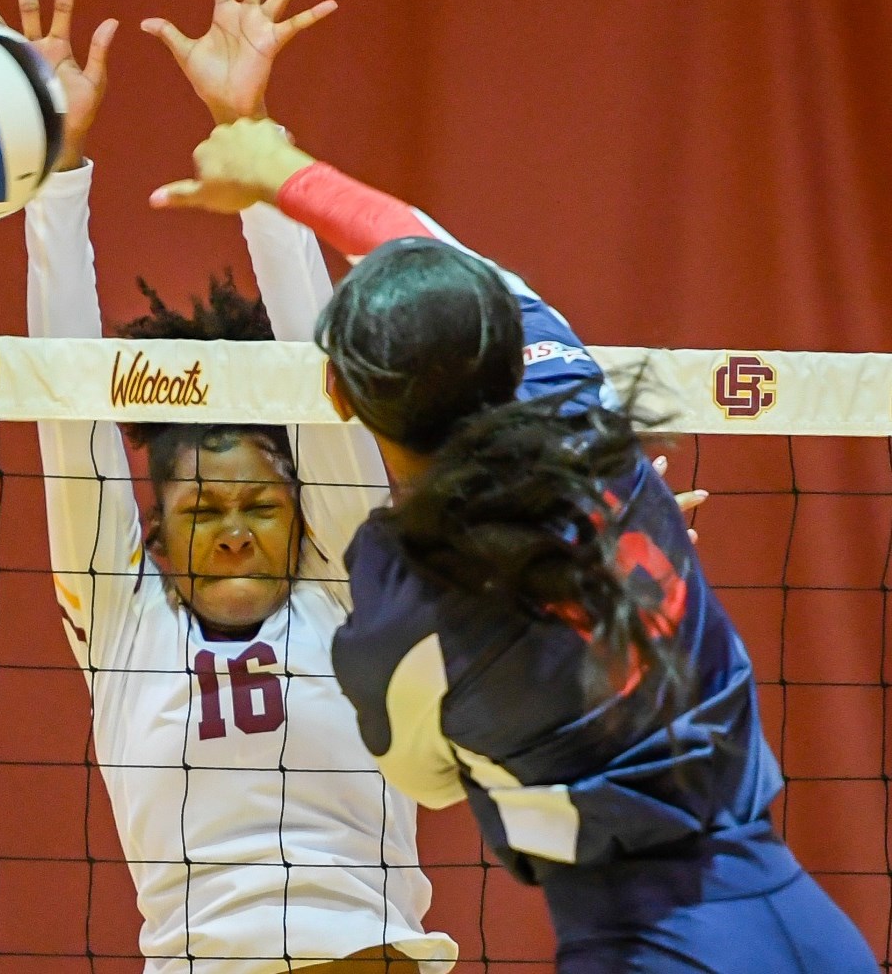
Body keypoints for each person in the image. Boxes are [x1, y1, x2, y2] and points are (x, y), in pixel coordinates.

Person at [150, 117, 877, 973]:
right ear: (505, 342)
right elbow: (413, 237)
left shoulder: (404, 602)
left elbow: (423, 781)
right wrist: (279, 169)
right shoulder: (572, 394)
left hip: (653, 945)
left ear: (339, 396)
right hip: (804, 919)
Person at [0, 0, 455, 972]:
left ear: (302, 512)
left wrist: (247, 133)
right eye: (203, 511)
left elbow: (316, 366)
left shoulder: (343, 586)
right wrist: (57, 176)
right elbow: (69, 409)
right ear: (156, 534)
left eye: (259, 505)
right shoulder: (121, 621)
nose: (236, 531)